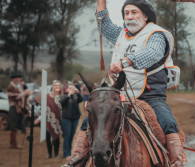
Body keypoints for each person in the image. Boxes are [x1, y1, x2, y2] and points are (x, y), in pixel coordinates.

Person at [69, 0, 185, 166]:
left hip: (151, 97)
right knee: (91, 120)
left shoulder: (156, 35)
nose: (129, 16)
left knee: (168, 122)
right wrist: (101, 2)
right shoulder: (121, 35)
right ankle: (76, 159)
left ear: (145, 16)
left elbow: (152, 54)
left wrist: (125, 62)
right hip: (121, 95)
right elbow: (104, 25)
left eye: (134, 12)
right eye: (126, 13)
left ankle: (176, 162)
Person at [7, 72, 32, 149]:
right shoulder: (11, 86)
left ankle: (13, 143)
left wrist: (26, 94)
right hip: (14, 107)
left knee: (16, 125)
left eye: (19, 78)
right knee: (14, 125)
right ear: (14, 79)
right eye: (17, 78)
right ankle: (13, 144)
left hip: (19, 107)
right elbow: (15, 97)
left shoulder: (18, 86)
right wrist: (24, 93)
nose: (18, 79)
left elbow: (22, 95)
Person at [60, 85, 83, 158]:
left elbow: (81, 99)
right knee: (67, 135)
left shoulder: (76, 96)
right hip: (66, 118)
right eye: (69, 88)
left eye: (72, 88)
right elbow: (62, 102)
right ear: (66, 89)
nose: (71, 89)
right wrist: (69, 94)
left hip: (75, 118)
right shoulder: (65, 96)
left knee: (72, 135)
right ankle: (66, 153)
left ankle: (69, 152)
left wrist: (78, 92)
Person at [45, 80, 63, 158]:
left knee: (56, 136)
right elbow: (43, 108)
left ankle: (56, 154)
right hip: (48, 119)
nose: (57, 87)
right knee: (48, 136)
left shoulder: (62, 97)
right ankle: (49, 153)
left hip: (59, 120)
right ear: (53, 86)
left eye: (58, 85)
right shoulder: (47, 96)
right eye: (55, 85)